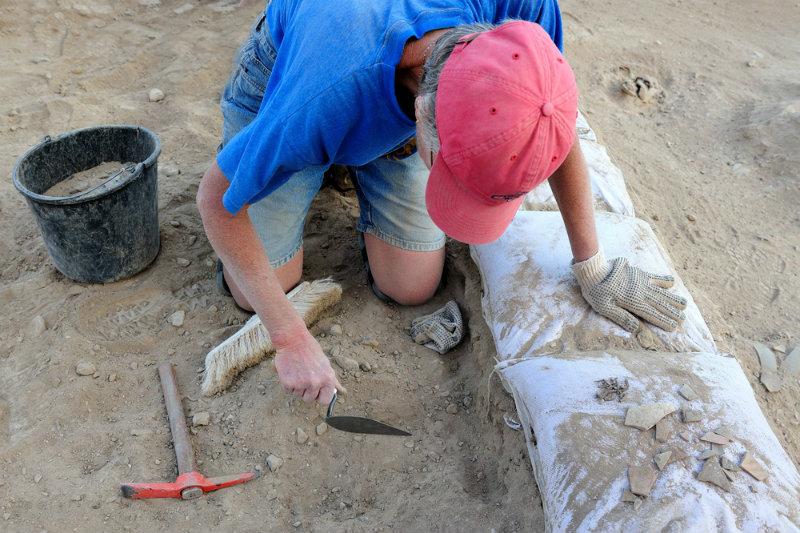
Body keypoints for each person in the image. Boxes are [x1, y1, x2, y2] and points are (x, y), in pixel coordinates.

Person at [196, 0, 687, 406]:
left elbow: (546, 118)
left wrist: (593, 265)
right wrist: (289, 338)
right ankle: (315, 155)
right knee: (261, 293)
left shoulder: (525, 26)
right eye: (454, 175)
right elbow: (216, 201)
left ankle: (353, 156)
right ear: (425, 116)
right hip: (291, 75)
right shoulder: (327, 85)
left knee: (412, 286)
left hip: (387, 91)